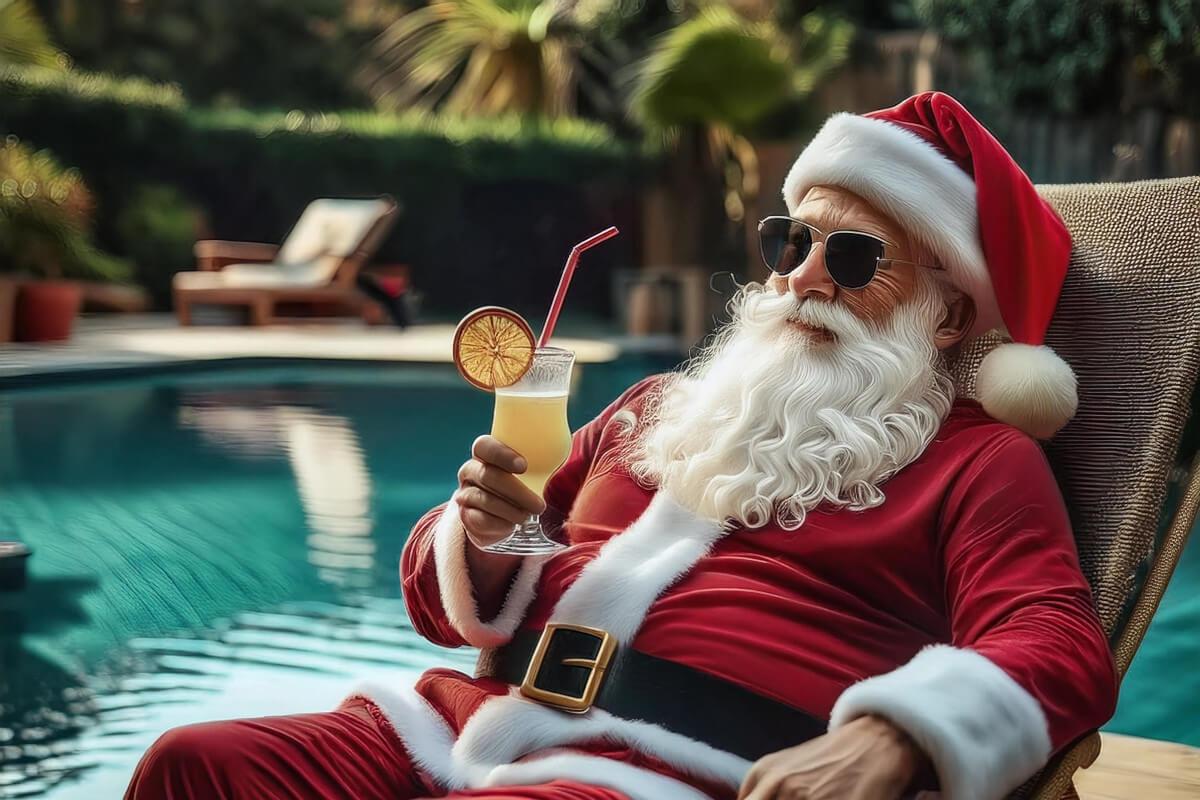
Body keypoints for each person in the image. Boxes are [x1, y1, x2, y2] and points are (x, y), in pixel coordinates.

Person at [125, 92, 1118, 800]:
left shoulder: (978, 459)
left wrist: (899, 732)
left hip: (674, 764)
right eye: (790, 241)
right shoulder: (656, 404)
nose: (804, 276)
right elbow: (442, 607)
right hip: (472, 715)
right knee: (195, 761)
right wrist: (479, 534)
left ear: (947, 316)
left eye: (853, 255)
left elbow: (1058, 641)